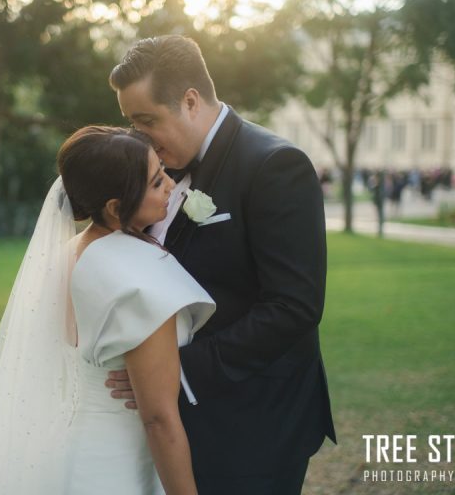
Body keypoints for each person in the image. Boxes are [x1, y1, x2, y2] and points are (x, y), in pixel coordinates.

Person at [106, 35, 336, 494]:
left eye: (147, 120)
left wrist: (172, 370)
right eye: (132, 123)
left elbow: (294, 306)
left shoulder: (275, 166)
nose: (139, 137)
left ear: (191, 101)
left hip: (256, 423)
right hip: (177, 426)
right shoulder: (158, 170)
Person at [0, 125, 216, 494]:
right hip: (119, 464)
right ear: (115, 207)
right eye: (157, 182)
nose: (171, 185)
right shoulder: (139, 274)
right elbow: (158, 419)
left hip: (69, 452)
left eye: (163, 172)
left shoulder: (67, 255)